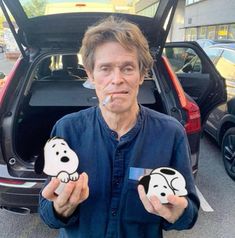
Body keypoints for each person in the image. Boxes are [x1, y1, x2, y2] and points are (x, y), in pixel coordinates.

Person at [39, 16, 200, 238]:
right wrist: (58, 210)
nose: (117, 79)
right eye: (105, 68)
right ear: (91, 75)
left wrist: (178, 214)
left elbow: (189, 213)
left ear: (142, 74)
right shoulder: (67, 130)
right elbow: (47, 213)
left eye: (127, 68)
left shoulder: (170, 133)